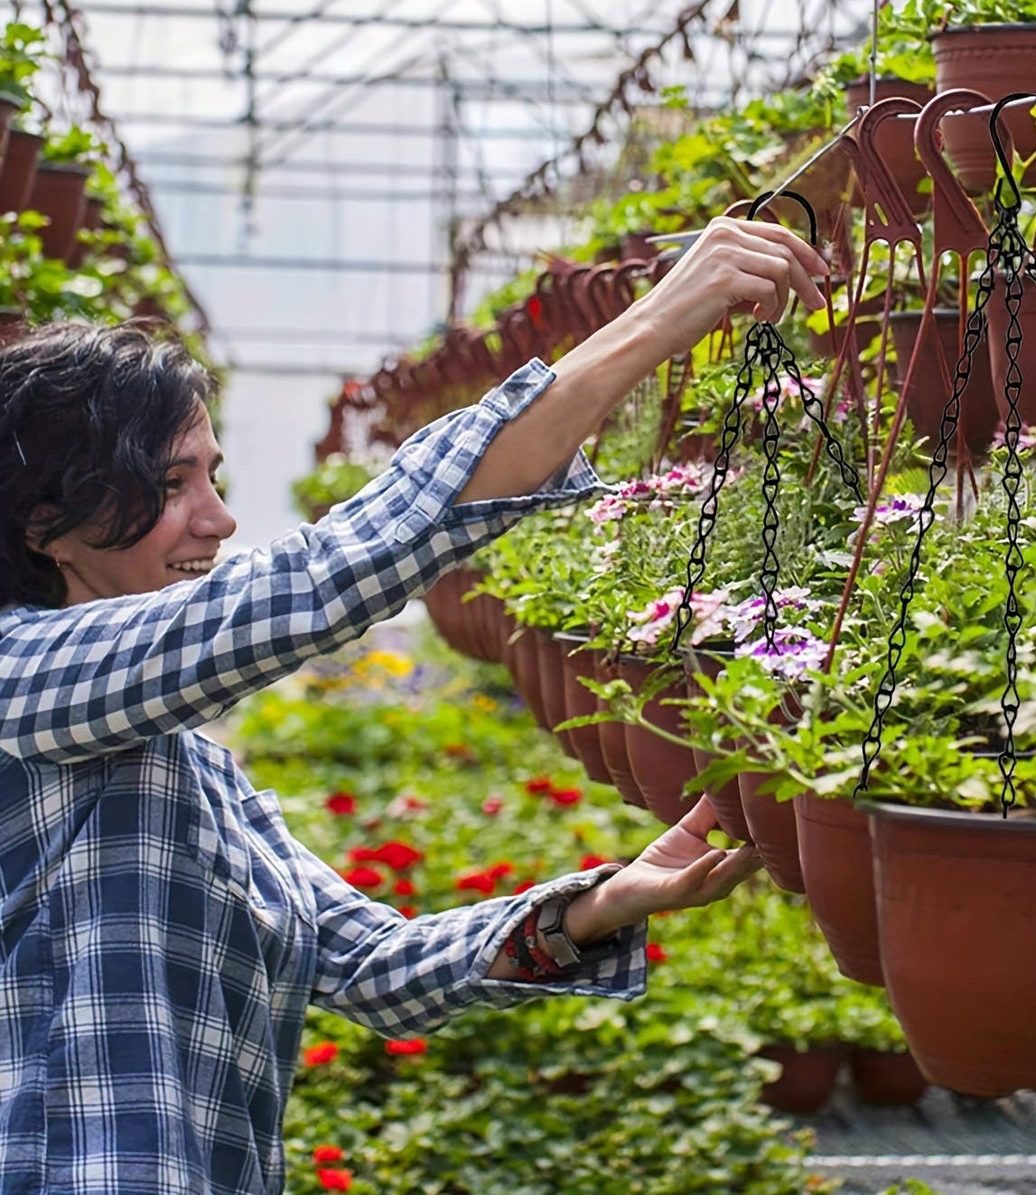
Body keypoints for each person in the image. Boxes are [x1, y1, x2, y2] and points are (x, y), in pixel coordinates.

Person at [0, 217, 830, 1195]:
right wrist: (648, 326)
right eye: (170, 482)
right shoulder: (20, 684)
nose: (219, 517)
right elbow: (308, 588)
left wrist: (613, 898)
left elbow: (377, 966)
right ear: (49, 522)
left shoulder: (187, 765)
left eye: (213, 477)